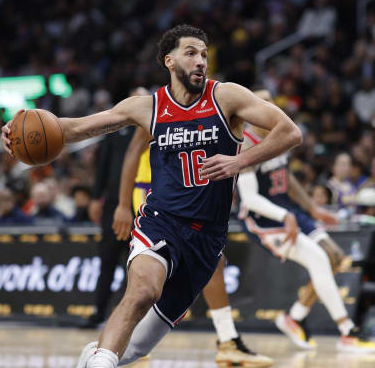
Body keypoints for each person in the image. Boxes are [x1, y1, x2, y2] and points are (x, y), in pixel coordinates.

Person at [1, 24, 302, 368]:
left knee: (132, 349)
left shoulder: (227, 96)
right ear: (169, 61)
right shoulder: (148, 107)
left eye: (204, 54)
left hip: (207, 239)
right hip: (160, 221)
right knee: (143, 291)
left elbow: (289, 131)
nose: (200, 61)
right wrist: (17, 128)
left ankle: (92, 357)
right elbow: (72, 128)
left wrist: (240, 160)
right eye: (191, 53)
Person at [112, 124, 272, 366]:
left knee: (211, 264)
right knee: (148, 276)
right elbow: (133, 152)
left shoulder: (212, 113)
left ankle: (226, 339)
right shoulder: (159, 109)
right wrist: (123, 204)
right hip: (153, 194)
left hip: (191, 201)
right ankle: (126, 338)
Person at [237, 90, 375, 353]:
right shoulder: (244, 144)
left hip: (288, 209)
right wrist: (285, 216)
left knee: (335, 257)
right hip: (264, 220)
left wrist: (312, 208)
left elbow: (286, 179)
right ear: (249, 109)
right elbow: (250, 199)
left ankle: (294, 317)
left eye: (271, 102)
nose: (269, 107)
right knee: (319, 260)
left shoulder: (279, 132)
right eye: (262, 103)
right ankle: (347, 331)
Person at [81, 87, 146, 329]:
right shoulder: (114, 131)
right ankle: (99, 312)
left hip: (142, 203)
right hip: (113, 206)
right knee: (107, 260)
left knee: (138, 263)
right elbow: (103, 168)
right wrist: (96, 198)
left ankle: (128, 316)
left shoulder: (154, 130)